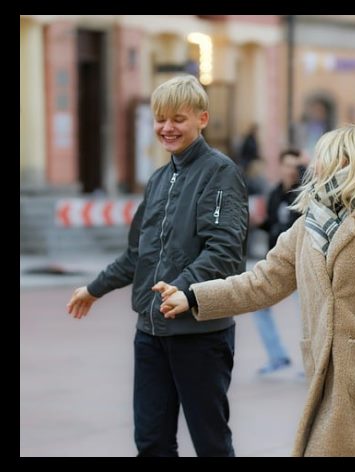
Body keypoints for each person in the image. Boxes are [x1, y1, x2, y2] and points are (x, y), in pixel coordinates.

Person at [154, 125, 355, 457]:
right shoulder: (307, 225)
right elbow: (261, 283)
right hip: (321, 371)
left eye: (321, 156)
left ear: (345, 160)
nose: (312, 165)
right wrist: (194, 296)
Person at [66, 75, 249, 457]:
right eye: (160, 119)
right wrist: (94, 288)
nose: (167, 128)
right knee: (151, 442)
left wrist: (181, 287)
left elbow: (225, 250)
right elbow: (138, 254)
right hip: (150, 334)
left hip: (200, 335)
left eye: (178, 119)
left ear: (202, 119)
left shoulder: (220, 173)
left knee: (211, 443)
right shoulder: (159, 180)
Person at [254, 149, 303, 375]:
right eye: (288, 165)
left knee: (308, 313)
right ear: (281, 166)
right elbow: (274, 224)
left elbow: (299, 229)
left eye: (295, 166)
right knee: (259, 307)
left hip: (299, 263)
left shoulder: (304, 194)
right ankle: (277, 356)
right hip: (276, 263)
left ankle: (312, 363)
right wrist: (258, 223)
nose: (291, 170)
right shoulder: (274, 193)